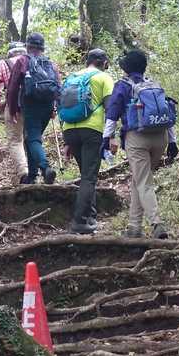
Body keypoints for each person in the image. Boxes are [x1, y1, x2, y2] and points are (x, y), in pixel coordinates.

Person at [104, 48, 178, 240]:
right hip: (160, 137)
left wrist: (107, 138)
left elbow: (112, 114)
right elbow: (167, 112)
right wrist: (173, 141)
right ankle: (134, 227)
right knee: (140, 179)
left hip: (137, 138)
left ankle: (157, 223)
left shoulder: (122, 86)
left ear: (126, 68)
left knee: (143, 181)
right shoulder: (153, 84)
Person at [58, 47, 114, 234]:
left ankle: (91, 216)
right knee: (89, 177)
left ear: (87, 61)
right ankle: (80, 222)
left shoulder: (72, 77)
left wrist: (67, 142)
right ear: (104, 63)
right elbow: (110, 108)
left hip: (70, 130)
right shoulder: (103, 77)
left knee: (86, 174)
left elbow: (63, 106)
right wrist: (111, 136)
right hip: (92, 130)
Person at [4, 31, 61, 186]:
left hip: (30, 105)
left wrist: (12, 109)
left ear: (27, 46)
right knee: (32, 138)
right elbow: (58, 86)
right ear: (42, 47)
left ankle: (45, 168)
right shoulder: (50, 64)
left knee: (33, 139)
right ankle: (32, 176)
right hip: (47, 107)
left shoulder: (23, 61)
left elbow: (13, 87)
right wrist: (55, 107)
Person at [0, 41, 27, 178]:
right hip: (36, 107)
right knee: (34, 138)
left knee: (16, 140)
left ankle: (24, 171)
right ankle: (39, 169)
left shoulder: (4, 64)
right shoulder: (33, 61)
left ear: (10, 52)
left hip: (14, 106)